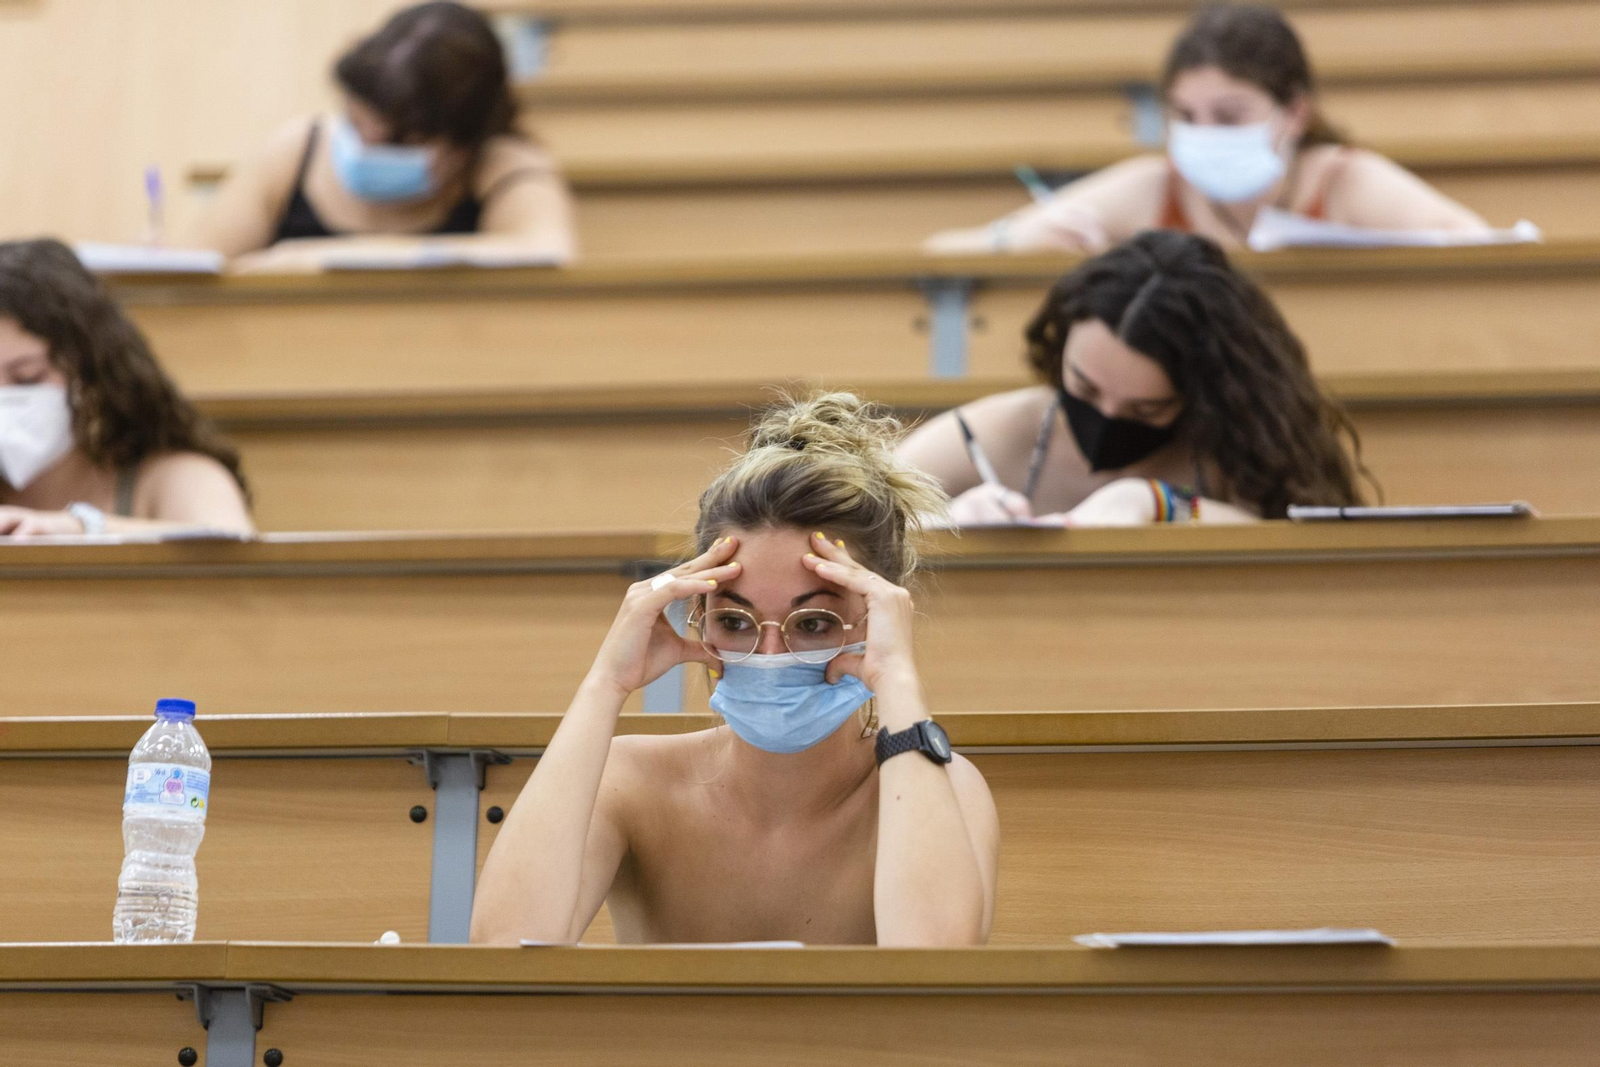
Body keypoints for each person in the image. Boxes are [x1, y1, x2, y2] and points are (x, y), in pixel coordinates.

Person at [471, 393, 999, 946]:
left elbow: (934, 965)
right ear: (700, 617)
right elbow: (506, 947)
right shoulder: (629, 781)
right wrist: (605, 684)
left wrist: (897, 681)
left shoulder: (945, 789)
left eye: (813, 623)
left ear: (877, 619)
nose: (769, 654)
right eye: (735, 621)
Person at [924, 5, 1488, 254]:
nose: (1203, 134)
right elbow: (944, 249)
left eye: (1229, 115)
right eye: (1185, 116)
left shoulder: (1345, 181)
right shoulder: (1153, 187)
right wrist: (1018, 242)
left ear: (1294, 113)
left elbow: (1487, 249)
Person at [899, 231, 1368, 526]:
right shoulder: (994, 432)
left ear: (1201, 395)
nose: (1106, 417)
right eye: (1084, 388)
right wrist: (943, 524)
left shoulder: (1245, 442)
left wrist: (1156, 503)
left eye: (1146, 409)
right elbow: (861, 518)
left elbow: (1300, 552)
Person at [195, 1, 575, 270]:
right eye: (356, 121)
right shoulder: (297, 150)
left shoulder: (503, 165)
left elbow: (546, 253)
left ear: (464, 143)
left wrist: (317, 258)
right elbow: (194, 266)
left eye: (399, 140)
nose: (366, 146)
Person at [0, 239, 254, 538]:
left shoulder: (173, 476)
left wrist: (81, 528)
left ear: (92, 372)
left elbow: (231, 543)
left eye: (27, 377)